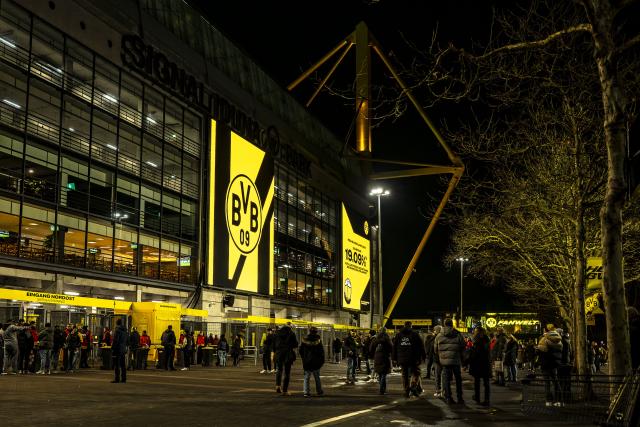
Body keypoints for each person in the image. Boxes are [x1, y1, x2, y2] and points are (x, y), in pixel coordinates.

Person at [435, 318, 465, 404]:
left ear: (444, 324)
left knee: (446, 380)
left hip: (444, 362)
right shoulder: (458, 334)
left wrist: (441, 356)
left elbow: (435, 349)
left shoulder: (439, 335)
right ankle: (460, 398)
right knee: (458, 380)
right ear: (452, 324)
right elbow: (463, 346)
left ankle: (448, 398)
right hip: (456, 360)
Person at [393, 321, 426, 398]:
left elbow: (394, 347)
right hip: (413, 358)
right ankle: (413, 387)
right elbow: (421, 346)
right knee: (416, 373)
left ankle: (406, 391)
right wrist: (423, 356)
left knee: (404, 375)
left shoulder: (398, 335)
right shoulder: (415, 334)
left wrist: (394, 358)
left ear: (404, 326)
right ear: (411, 326)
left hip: (402, 358)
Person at [536, 324, 563, 406]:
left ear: (546, 330)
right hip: (555, 363)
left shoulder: (544, 339)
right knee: (555, 381)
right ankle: (558, 400)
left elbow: (540, 351)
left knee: (547, 383)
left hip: (546, 363)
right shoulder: (559, 339)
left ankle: (549, 400)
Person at [299, 326, 325, 397]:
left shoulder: (305, 339)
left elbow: (300, 350)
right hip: (316, 362)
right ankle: (319, 391)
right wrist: (321, 361)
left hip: (307, 361)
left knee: (307, 377)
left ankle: (306, 392)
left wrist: (304, 358)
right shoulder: (318, 340)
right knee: (317, 377)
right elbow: (321, 352)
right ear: (316, 332)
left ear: (309, 331)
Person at [274, 322, 298, 395]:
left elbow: (274, 344)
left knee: (279, 370)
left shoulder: (277, 333)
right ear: (290, 327)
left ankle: (278, 386)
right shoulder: (291, 333)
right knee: (287, 372)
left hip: (278, 353)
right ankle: (285, 390)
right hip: (288, 354)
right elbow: (295, 344)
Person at [469, 326, 491, 406]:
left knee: (477, 382)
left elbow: (474, 354)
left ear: (477, 332)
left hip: (478, 364)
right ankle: (487, 399)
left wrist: (469, 361)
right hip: (486, 363)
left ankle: (477, 397)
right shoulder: (487, 340)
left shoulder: (477, 341)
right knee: (486, 383)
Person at [370, 327, 393, 395]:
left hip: (377, 357)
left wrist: (373, 354)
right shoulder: (387, 338)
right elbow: (391, 347)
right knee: (384, 374)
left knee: (380, 373)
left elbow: (371, 348)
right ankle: (382, 390)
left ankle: (382, 389)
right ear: (385, 331)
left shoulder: (376, 338)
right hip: (385, 356)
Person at [111, 318, 128, 383]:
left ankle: (117, 379)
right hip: (123, 349)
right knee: (123, 365)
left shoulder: (117, 330)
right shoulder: (125, 331)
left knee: (117, 364)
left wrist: (112, 348)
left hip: (118, 349)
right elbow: (127, 341)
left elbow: (115, 340)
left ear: (116, 323)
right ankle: (124, 379)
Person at [431, 325, 444, 397]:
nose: (434, 331)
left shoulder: (436, 337)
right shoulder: (445, 336)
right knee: (444, 376)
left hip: (437, 359)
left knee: (437, 376)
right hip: (445, 359)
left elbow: (434, 350)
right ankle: (444, 391)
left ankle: (438, 391)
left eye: (435, 330)